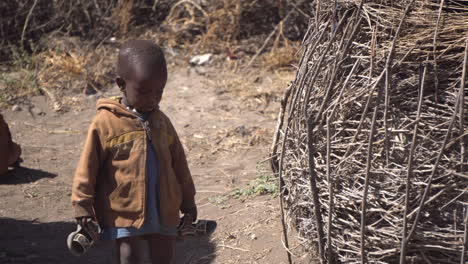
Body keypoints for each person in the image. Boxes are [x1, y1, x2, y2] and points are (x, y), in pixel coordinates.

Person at [71, 40, 197, 264]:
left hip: (163, 208)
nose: (153, 99)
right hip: (124, 211)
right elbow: (87, 167)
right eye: (144, 92)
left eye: (159, 91)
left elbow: (179, 166)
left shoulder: (162, 122)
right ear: (121, 84)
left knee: (164, 256)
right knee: (130, 256)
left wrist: (188, 202)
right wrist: (82, 204)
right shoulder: (106, 122)